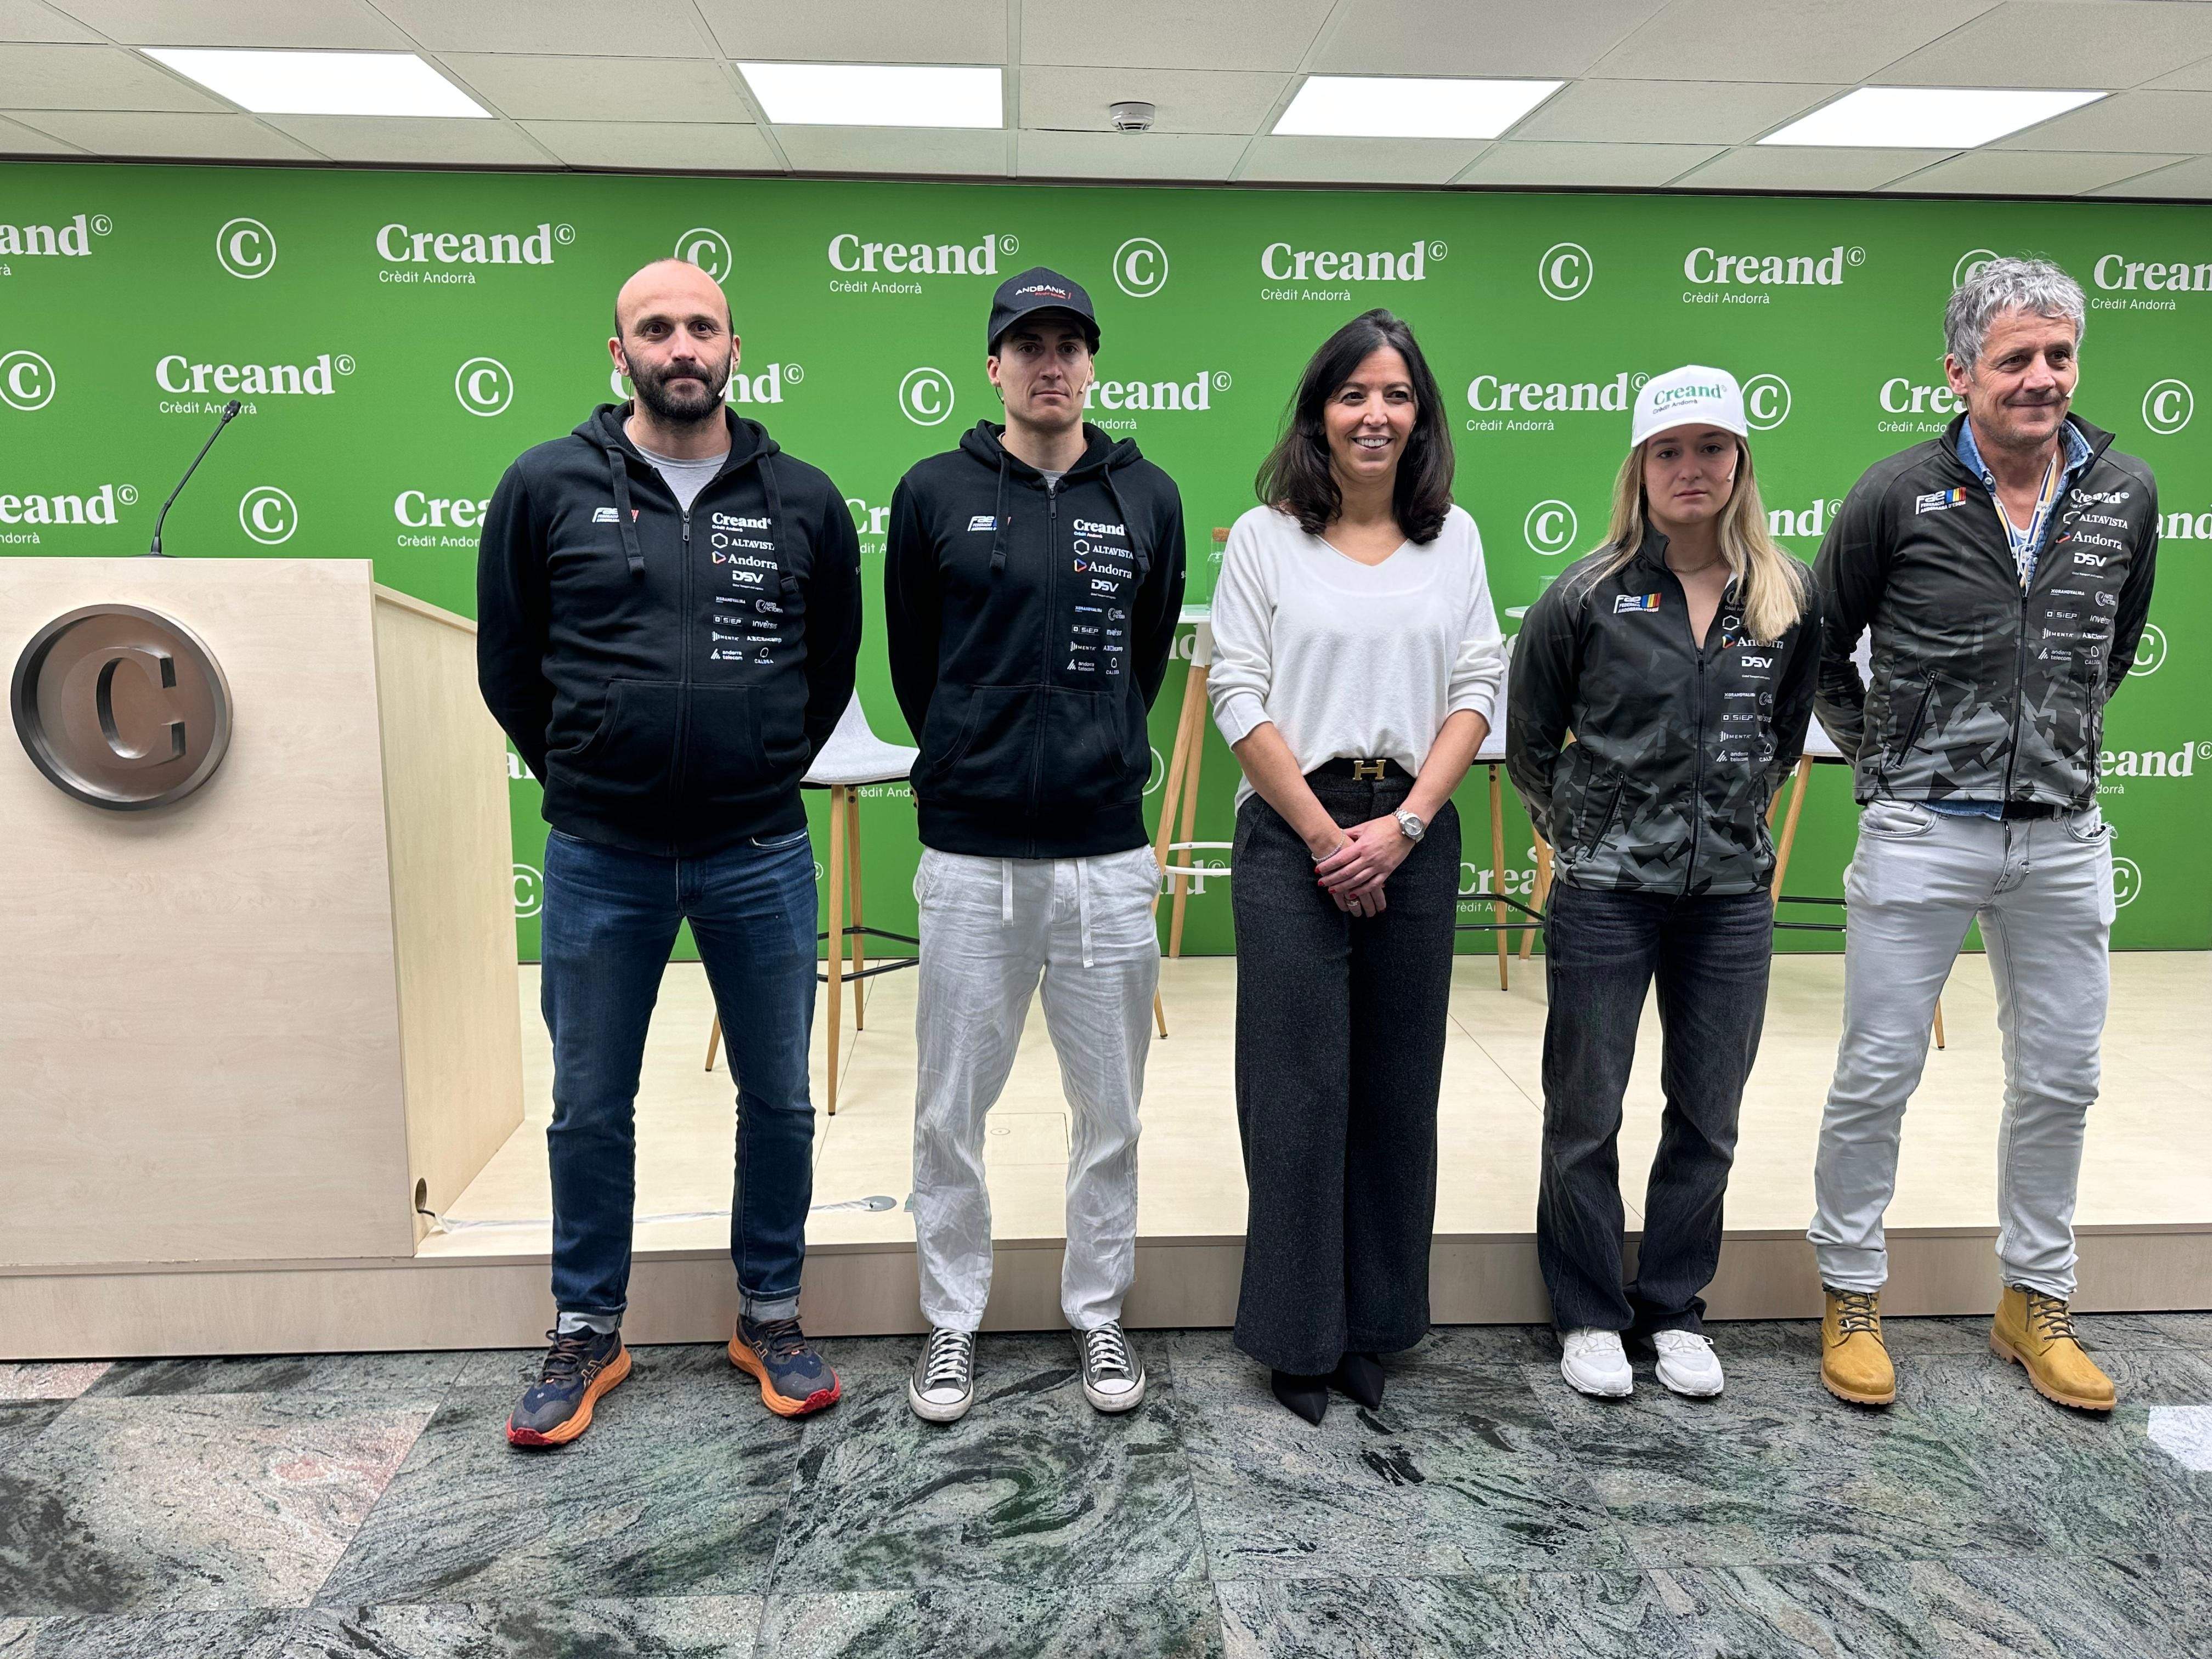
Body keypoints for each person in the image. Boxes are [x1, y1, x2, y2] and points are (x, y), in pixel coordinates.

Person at [477, 258, 861, 1445]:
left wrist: (753, 763)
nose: (680, 345)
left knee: (780, 1100)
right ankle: (588, 1329)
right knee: (590, 1105)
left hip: (757, 848)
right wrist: (595, 769)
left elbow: (830, 668)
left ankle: (772, 1314)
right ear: (620, 352)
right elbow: (510, 667)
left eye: (701, 325)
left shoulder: (802, 499)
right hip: (601, 852)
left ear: (735, 346)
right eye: (656, 327)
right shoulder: (543, 485)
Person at [1807, 256, 2159, 1414]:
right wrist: (1893, 761)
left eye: (2059, 355)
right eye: (2015, 358)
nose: (2042, 378)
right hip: (1921, 830)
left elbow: (2111, 651)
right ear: (1961, 374)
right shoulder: (1895, 494)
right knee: (1879, 1071)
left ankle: (2034, 1302)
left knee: (2063, 1080)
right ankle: (1853, 1294)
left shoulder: (2124, 492)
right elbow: (1822, 649)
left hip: (2063, 836)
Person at [885, 267, 1187, 1424]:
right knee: (949, 1109)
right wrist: (974, 750)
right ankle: (952, 1324)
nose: (1049, 362)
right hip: (969, 853)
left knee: (1110, 1107)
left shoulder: (1144, 496)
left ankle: (1098, 1314)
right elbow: (919, 662)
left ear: (1092, 364)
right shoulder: (931, 493)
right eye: (1028, 344)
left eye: (1070, 344)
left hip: (1104, 856)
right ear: (994, 364)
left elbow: (1144, 658)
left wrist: (1091, 752)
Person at [1208, 308, 1504, 1424]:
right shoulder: (1266, 538)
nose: (1374, 415)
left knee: (1394, 1090)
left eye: (1395, 395)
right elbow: (1237, 692)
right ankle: (1297, 1335)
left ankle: (1376, 1325)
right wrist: (1333, 839)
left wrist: (1409, 826)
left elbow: (1481, 684)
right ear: (1319, 415)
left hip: (1415, 829)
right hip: (1297, 831)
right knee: (1295, 1092)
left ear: (1418, 413)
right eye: (1352, 395)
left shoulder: (1455, 539)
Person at [1509, 366, 1819, 1401]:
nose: (1692, 470)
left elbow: (1782, 741)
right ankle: (1592, 1311)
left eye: (1712, 450)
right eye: (1670, 452)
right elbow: (1531, 747)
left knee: (1709, 1112)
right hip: (1606, 896)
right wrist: (1591, 840)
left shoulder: (1783, 598)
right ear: (1639, 468)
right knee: (1586, 1110)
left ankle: (1675, 1307)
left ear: (1741, 464)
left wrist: (1727, 827)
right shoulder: (1586, 595)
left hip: (1729, 901)